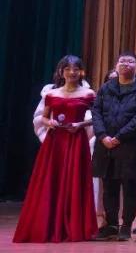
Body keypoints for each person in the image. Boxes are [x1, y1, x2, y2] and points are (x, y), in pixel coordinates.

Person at [14, 56, 97, 243]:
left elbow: (98, 118)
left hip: (76, 141)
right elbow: (44, 117)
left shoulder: (89, 93)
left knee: (75, 180)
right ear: (61, 72)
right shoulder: (51, 94)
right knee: (51, 180)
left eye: (75, 69)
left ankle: (73, 225)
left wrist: (80, 124)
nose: (72, 72)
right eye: (67, 69)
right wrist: (49, 122)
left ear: (81, 72)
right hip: (55, 143)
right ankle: (49, 224)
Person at [91, 52, 136, 241]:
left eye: (130, 61)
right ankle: (111, 224)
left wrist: (119, 137)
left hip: (130, 145)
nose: (126, 64)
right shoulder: (106, 87)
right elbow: (96, 112)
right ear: (116, 65)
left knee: (130, 186)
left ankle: (126, 226)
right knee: (109, 187)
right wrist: (102, 135)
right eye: (122, 61)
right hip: (105, 145)